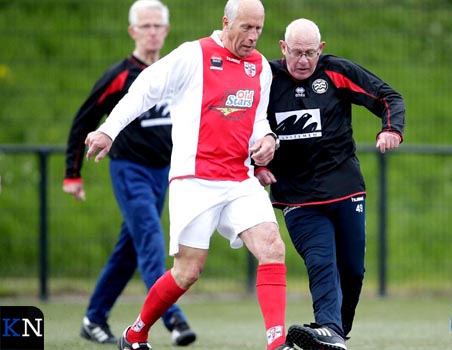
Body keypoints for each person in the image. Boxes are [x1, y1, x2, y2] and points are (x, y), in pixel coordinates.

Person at [83, 0, 293, 349]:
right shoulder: (193, 55)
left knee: (272, 247)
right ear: (226, 22)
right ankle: (136, 333)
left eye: (259, 28)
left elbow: (257, 119)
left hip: (240, 180)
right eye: (246, 28)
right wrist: (110, 129)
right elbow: (145, 88)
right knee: (187, 272)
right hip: (194, 181)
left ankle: (277, 342)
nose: (254, 37)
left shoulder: (260, 68)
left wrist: (267, 138)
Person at [255, 18, 406, 350]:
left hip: (345, 188)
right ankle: (328, 327)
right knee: (321, 259)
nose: (303, 60)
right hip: (297, 195)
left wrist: (391, 129)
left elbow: (386, 97)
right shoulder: (265, 78)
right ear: (283, 48)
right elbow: (239, 121)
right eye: (296, 52)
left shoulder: (336, 71)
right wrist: (256, 164)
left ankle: (334, 333)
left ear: (320, 50)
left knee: (352, 271)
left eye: (310, 53)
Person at [63, 0, 196, 346]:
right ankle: (174, 320)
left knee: (128, 249)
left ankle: (93, 318)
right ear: (132, 31)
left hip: (162, 174)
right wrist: (72, 174)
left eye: (157, 26)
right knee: (151, 239)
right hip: (128, 169)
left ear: (166, 31)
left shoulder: (173, 71)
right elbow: (84, 120)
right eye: (145, 26)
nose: (152, 32)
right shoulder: (120, 75)